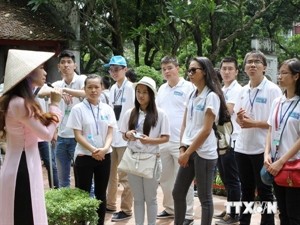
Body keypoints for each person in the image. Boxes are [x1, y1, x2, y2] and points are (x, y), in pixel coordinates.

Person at [0, 49, 62, 224]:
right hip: (22, 168)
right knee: (25, 217)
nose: (45, 72)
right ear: (28, 73)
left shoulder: (17, 101)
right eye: (41, 68)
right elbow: (47, 134)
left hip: (23, 165)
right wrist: (55, 105)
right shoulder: (20, 103)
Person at [173, 56, 228, 225]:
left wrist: (188, 152)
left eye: (193, 70)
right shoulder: (192, 94)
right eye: (188, 70)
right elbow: (186, 123)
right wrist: (182, 147)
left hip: (204, 152)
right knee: (178, 192)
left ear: (204, 71)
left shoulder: (211, 96)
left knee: (204, 197)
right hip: (188, 149)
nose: (189, 73)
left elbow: (205, 130)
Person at [234, 50, 282, 225]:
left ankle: (267, 222)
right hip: (242, 147)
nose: (252, 65)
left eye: (257, 62)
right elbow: (239, 118)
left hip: (263, 149)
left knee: (264, 191)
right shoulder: (243, 90)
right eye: (249, 62)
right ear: (245, 68)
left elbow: (277, 123)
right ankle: (244, 221)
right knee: (245, 190)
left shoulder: (273, 90)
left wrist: (253, 123)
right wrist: (240, 119)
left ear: (264, 67)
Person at [66, 74, 117, 225]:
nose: (93, 90)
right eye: (90, 87)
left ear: (102, 88)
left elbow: (110, 131)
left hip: (104, 156)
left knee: (101, 194)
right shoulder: (78, 109)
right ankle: (82, 222)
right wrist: (94, 150)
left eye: (97, 87)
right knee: (82, 194)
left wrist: (105, 149)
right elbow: (77, 135)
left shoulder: (107, 109)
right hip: (84, 156)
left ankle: (99, 222)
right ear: (84, 89)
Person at [120, 76, 170, 225]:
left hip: (151, 159)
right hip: (133, 159)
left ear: (151, 95)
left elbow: (166, 137)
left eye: (145, 92)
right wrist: (128, 135)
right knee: (138, 198)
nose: (140, 95)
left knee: (151, 198)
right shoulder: (130, 113)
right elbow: (123, 134)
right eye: (138, 91)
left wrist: (149, 140)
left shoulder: (160, 114)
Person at [156, 56, 195, 225]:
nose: (166, 71)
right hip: (163, 140)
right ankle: (170, 208)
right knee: (165, 178)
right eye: (164, 69)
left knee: (184, 179)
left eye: (170, 67)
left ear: (178, 68)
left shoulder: (189, 87)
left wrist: (187, 142)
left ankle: (188, 214)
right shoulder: (162, 89)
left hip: (182, 142)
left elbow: (193, 116)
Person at [264, 58, 300, 225]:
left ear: (296, 76)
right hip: (275, 165)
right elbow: (271, 129)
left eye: (284, 73)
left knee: (295, 214)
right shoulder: (277, 101)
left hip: (294, 165)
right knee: (283, 212)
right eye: (279, 72)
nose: (279, 76)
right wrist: (266, 154)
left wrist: (282, 161)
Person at [105, 55, 135, 221]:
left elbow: (135, 113)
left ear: (125, 69)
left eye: (117, 69)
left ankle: (126, 209)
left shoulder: (131, 88)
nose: (114, 72)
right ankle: (110, 204)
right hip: (113, 138)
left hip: (125, 138)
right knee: (111, 174)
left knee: (125, 175)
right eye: (112, 69)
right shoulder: (112, 89)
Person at [52, 50, 87, 187]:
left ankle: (87, 206)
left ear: (75, 65)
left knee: (82, 177)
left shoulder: (81, 79)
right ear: (58, 67)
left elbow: (85, 93)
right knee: (63, 179)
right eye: (62, 62)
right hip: (61, 136)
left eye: (69, 62)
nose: (66, 65)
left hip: (78, 137)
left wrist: (65, 91)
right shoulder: (57, 85)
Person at [214, 57, 242, 225]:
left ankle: (234, 214)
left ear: (236, 71)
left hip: (232, 140)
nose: (226, 71)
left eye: (230, 68)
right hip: (220, 139)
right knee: (225, 176)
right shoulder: (223, 88)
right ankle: (230, 209)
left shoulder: (236, 90)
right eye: (224, 68)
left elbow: (227, 111)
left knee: (232, 178)